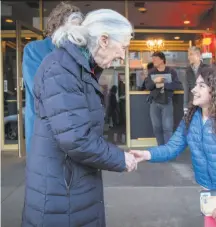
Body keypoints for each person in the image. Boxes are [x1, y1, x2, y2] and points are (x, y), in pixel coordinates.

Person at [22, 9, 137, 227]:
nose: (123, 56)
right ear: (103, 40)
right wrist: (121, 159)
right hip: (62, 190)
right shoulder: (62, 69)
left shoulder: (79, 68)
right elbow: (76, 138)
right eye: (123, 47)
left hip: (69, 184)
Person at [132, 67, 216, 227]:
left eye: (201, 86)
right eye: (196, 85)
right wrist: (146, 154)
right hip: (209, 189)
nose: (194, 89)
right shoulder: (191, 118)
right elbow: (172, 147)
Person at [22, 2, 81, 154]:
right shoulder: (34, 50)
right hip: (44, 132)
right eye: (72, 27)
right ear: (58, 26)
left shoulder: (79, 54)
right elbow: (40, 87)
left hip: (75, 134)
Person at [144, 51, 181, 145]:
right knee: (156, 127)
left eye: (155, 59)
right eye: (152, 59)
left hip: (167, 102)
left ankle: (168, 150)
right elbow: (148, 86)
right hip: (154, 102)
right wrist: (155, 83)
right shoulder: (152, 72)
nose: (153, 61)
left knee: (168, 127)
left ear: (162, 60)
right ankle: (161, 149)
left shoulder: (171, 71)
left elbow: (177, 85)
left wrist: (163, 84)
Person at [183, 46, 209, 113]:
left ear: (197, 54)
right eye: (188, 55)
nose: (188, 57)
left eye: (190, 54)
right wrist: (185, 106)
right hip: (192, 103)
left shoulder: (207, 68)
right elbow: (186, 88)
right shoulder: (187, 70)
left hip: (205, 103)